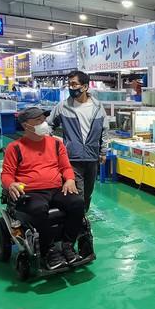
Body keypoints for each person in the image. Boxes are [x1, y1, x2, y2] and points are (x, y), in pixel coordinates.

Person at [1, 107, 85, 270]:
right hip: (31, 191)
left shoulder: (56, 144)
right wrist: (11, 184)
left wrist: (69, 179)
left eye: (43, 119)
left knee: (77, 202)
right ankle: (49, 250)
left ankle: (68, 245)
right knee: (39, 209)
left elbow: (66, 167)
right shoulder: (15, 147)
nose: (43, 123)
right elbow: (6, 174)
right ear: (26, 126)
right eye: (38, 121)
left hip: (56, 188)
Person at [47, 70, 110, 213]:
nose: (71, 87)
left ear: (85, 87)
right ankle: (78, 223)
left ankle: (82, 218)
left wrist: (103, 151)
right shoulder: (63, 106)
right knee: (77, 194)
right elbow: (49, 125)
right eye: (69, 84)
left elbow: (104, 130)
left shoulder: (97, 107)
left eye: (74, 84)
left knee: (87, 193)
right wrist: (51, 145)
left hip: (92, 157)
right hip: (71, 158)